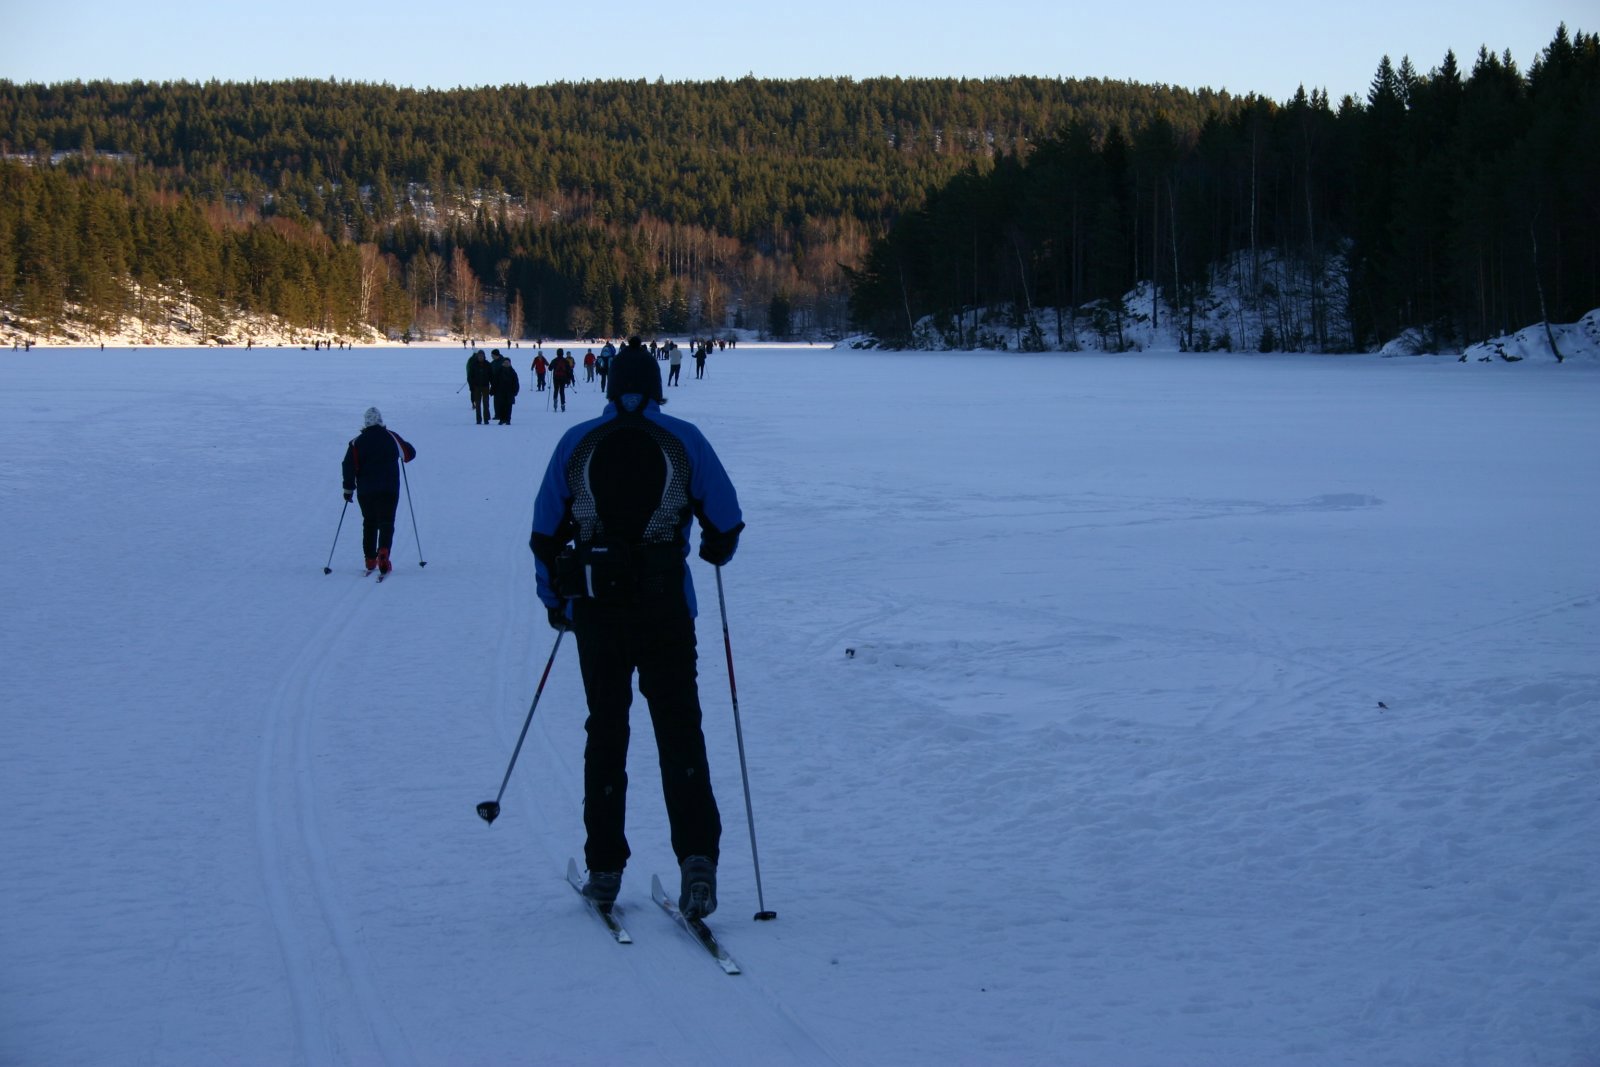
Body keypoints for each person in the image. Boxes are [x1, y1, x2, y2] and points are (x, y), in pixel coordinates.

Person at [530, 338, 744, 920]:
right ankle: (697, 861)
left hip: (599, 613)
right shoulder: (683, 439)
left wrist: (557, 603)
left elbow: (545, 536)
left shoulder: (577, 443)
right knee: (680, 731)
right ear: (657, 388)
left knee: (606, 733)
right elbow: (725, 521)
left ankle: (604, 867)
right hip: (666, 611)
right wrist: (713, 547)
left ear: (607, 386)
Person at [341, 407, 416, 575]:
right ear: (381, 421)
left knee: (369, 522)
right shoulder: (391, 436)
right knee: (387, 522)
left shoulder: (356, 442)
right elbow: (408, 455)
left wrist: (348, 489)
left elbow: (348, 466)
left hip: (366, 491)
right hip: (389, 489)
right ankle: (383, 551)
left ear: (365, 423)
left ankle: (369, 559)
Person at [492, 350, 521, 424]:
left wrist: (515, 391)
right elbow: (495, 381)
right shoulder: (499, 371)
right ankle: (502, 419)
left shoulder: (513, 372)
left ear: (510, 364)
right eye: (505, 363)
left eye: (507, 363)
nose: (506, 364)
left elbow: (516, 382)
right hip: (500, 392)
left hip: (509, 392)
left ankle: (508, 420)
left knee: (509, 406)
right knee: (501, 406)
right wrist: (493, 390)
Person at [467, 349, 492, 424]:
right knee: (477, 404)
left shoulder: (488, 364)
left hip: (485, 386)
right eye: (479, 356)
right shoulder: (473, 365)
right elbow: (470, 377)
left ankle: (486, 419)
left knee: (486, 404)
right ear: (477, 356)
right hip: (476, 387)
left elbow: (491, 376)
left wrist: (492, 385)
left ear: (484, 356)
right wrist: (471, 386)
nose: (480, 357)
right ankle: (478, 420)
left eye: (482, 356)